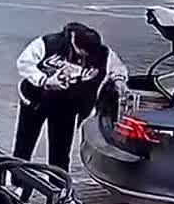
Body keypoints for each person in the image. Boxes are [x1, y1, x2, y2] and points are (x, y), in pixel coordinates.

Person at [14, 22, 128, 171]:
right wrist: (45, 81)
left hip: (68, 107)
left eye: (90, 54)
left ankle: (58, 186)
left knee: (60, 152)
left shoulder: (103, 53)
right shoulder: (48, 43)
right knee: (24, 146)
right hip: (35, 102)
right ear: (74, 43)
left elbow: (117, 68)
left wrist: (119, 81)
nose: (86, 56)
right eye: (83, 52)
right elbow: (24, 63)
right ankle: (17, 183)